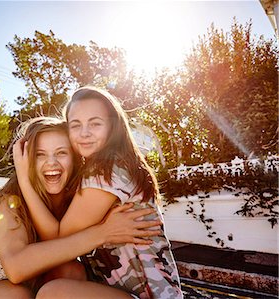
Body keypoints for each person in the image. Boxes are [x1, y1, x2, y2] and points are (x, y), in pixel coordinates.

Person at [0, 117, 162, 299]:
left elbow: (58, 243)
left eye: (61, 153)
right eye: (40, 154)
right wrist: (103, 233)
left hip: (38, 288)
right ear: (27, 160)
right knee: (15, 295)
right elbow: (16, 269)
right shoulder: (9, 200)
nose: (51, 162)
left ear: (75, 158)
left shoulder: (80, 197)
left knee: (71, 271)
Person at [14, 87, 183, 299]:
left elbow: (57, 240)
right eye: (76, 125)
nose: (84, 133)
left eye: (95, 123)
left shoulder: (108, 169)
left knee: (53, 293)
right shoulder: (103, 167)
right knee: (62, 272)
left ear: (112, 126)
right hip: (119, 291)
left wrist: (23, 178)